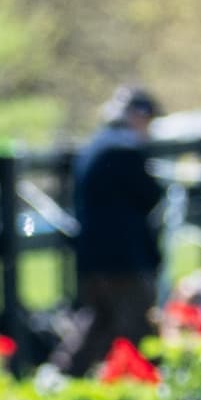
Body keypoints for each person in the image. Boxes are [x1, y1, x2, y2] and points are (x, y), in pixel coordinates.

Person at [56, 86, 167, 374]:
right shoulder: (123, 150)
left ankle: (60, 377)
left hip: (96, 256)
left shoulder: (95, 147)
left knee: (98, 321)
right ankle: (169, 385)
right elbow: (149, 195)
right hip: (123, 258)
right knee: (141, 324)